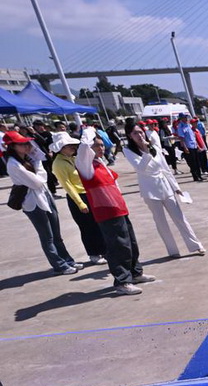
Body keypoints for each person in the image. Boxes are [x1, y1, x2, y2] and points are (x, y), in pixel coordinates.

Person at [75, 126, 155, 295]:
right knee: (118, 246)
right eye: (96, 146)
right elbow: (83, 149)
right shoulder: (85, 165)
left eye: (102, 145)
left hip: (119, 208)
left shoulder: (100, 163)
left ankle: (135, 273)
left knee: (130, 242)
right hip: (106, 212)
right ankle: (122, 281)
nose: (100, 148)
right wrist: (87, 133)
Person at [122, 121, 205, 258]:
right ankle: (173, 250)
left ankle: (196, 245)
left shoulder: (154, 146)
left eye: (141, 132)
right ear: (130, 136)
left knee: (180, 218)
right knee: (161, 222)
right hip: (150, 189)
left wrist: (176, 187)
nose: (139, 135)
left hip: (165, 186)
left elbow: (165, 169)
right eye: (135, 133)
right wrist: (145, 150)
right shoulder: (128, 150)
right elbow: (140, 168)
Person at [3, 130, 81, 275]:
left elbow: (42, 165)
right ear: (12, 146)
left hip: (45, 196)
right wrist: (39, 164)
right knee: (47, 237)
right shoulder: (13, 164)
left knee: (56, 234)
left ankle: (67, 260)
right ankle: (60, 265)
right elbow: (38, 182)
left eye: (27, 143)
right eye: (22, 144)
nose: (27, 146)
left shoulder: (27, 159)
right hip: (33, 202)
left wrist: (36, 157)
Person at [49, 131, 107, 265]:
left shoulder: (72, 159)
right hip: (78, 197)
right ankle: (93, 254)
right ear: (61, 148)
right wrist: (80, 203)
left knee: (97, 225)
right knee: (87, 228)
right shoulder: (58, 164)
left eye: (72, 145)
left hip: (88, 194)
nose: (72, 147)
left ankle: (104, 250)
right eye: (68, 145)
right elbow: (67, 186)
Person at [173, 112, 204, 182]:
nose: (185, 119)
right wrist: (185, 147)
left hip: (194, 145)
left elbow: (193, 137)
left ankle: (199, 175)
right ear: (181, 119)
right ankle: (195, 177)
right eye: (184, 117)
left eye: (186, 117)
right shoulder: (180, 127)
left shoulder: (188, 125)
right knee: (192, 163)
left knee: (197, 162)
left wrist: (197, 146)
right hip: (188, 146)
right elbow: (181, 138)